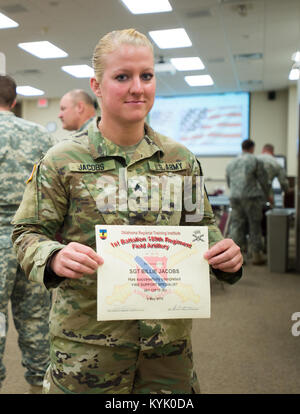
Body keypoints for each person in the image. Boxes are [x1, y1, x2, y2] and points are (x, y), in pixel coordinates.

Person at [12, 29, 243, 395]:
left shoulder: (179, 160)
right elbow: (26, 233)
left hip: (167, 349)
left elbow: (203, 230)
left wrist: (225, 257)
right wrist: (53, 256)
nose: (138, 87)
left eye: (146, 76)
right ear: (97, 86)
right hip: (88, 348)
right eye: (123, 77)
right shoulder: (63, 160)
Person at [0, 75, 53, 393]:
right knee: (36, 318)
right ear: (15, 101)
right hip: (32, 237)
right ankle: (40, 383)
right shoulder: (40, 135)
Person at [226, 139, 271, 265]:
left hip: (235, 197)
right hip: (251, 198)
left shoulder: (232, 162)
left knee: (237, 225)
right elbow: (263, 180)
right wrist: (267, 196)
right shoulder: (256, 160)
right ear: (252, 148)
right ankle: (257, 255)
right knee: (254, 225)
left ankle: (236, 257)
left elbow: (229, 181)